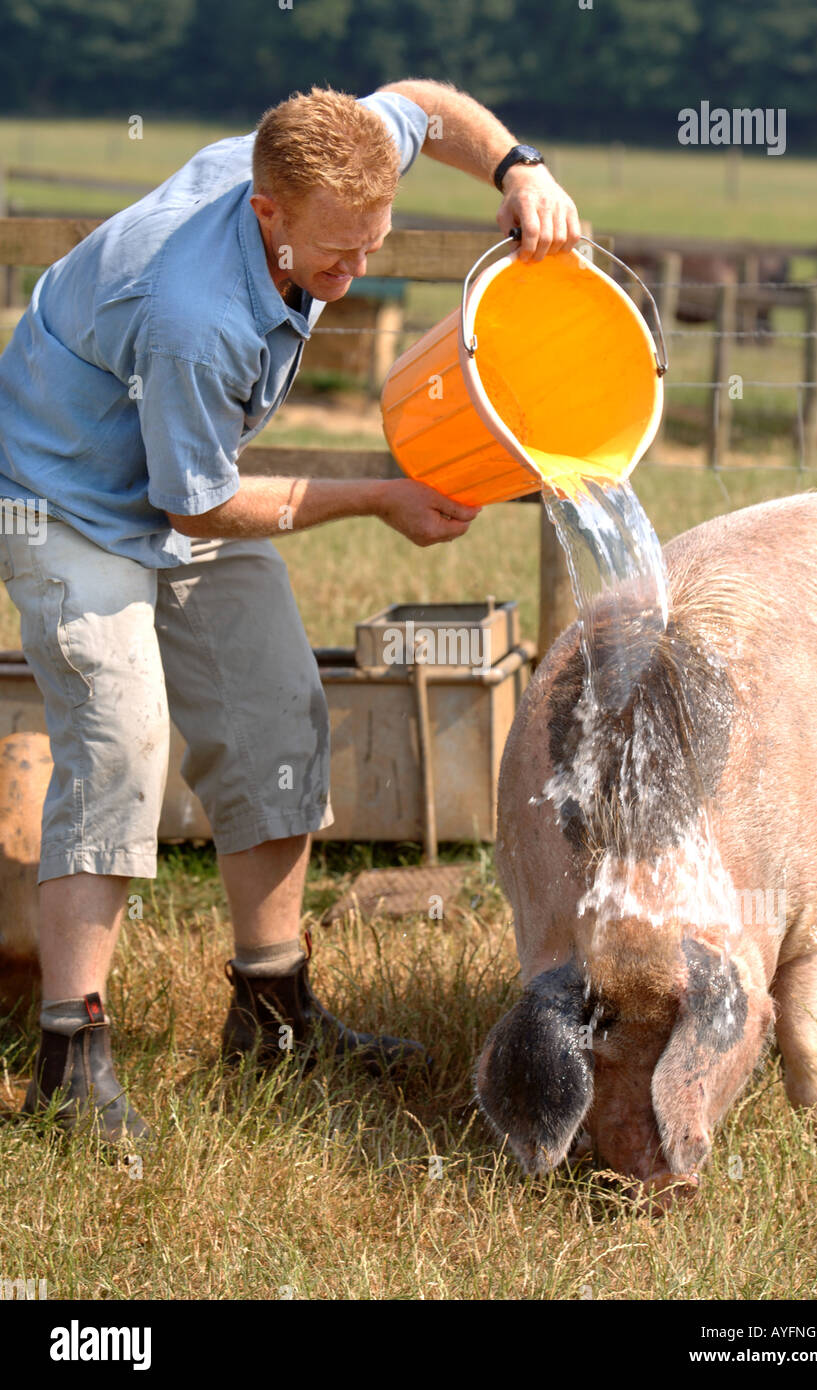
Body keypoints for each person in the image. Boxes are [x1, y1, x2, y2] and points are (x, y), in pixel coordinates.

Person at [0, 79, 582, 1140]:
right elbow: (199, 501)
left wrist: (517, 168)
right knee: (120, 738)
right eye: (335, 256)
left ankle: (274, 1013)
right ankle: (68, 1061)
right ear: (266, 211)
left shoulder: (332, 156)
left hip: (172, 474)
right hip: (68, 496)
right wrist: (378, 497)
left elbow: (417, 101)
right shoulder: (194, 317)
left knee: (274, 707)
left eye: (375, 242)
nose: (355, 276)